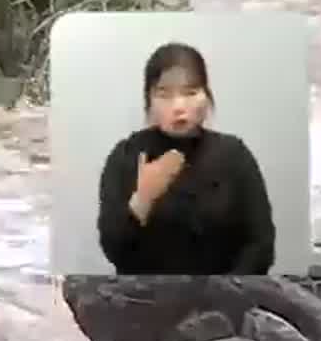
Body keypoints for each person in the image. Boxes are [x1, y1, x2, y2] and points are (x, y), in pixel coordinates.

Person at [96, 42, 276, 274]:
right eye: (164, 94)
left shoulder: (234, 154)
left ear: (207, 96)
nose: (179, 106)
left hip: (227, 300)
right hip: (146, 300)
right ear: (149, 100)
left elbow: (261, 243)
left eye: (191, 92)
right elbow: (114, 251)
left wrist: (227, 294)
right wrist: (143, 199)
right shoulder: (127, 155)